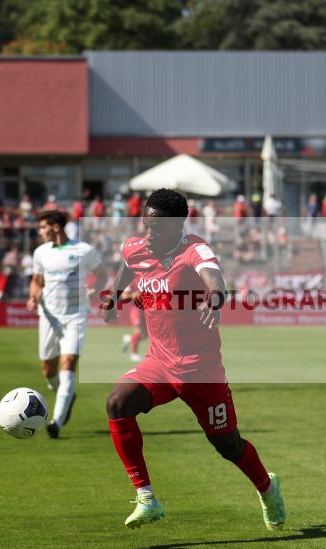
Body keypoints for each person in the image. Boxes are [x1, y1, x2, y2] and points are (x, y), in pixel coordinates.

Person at [100, 189, 285, 530]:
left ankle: (267, 488)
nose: (148, 232)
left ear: (177, 225)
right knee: (117, 403)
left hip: (202, 370)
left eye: (156, 226)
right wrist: (113, 299)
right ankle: (147, 498)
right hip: (159, 362)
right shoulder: (135, 247)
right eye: (145, 223)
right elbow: (127, 267)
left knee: (228, 446)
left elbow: (215, 279)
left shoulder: (194, 249)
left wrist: (213, 300)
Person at [27, 210, 104, 439]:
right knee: (48, 370)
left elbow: (101, 274)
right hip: (50, 316)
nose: (40, 232)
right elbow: (37, 280)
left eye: (43, 227)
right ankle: (66, 394)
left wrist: (95, 290)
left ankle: (56, 422)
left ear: (56, 227)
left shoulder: (83, 250)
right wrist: (33, 296)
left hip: (76, 315)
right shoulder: (40, 253)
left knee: (68, 363)